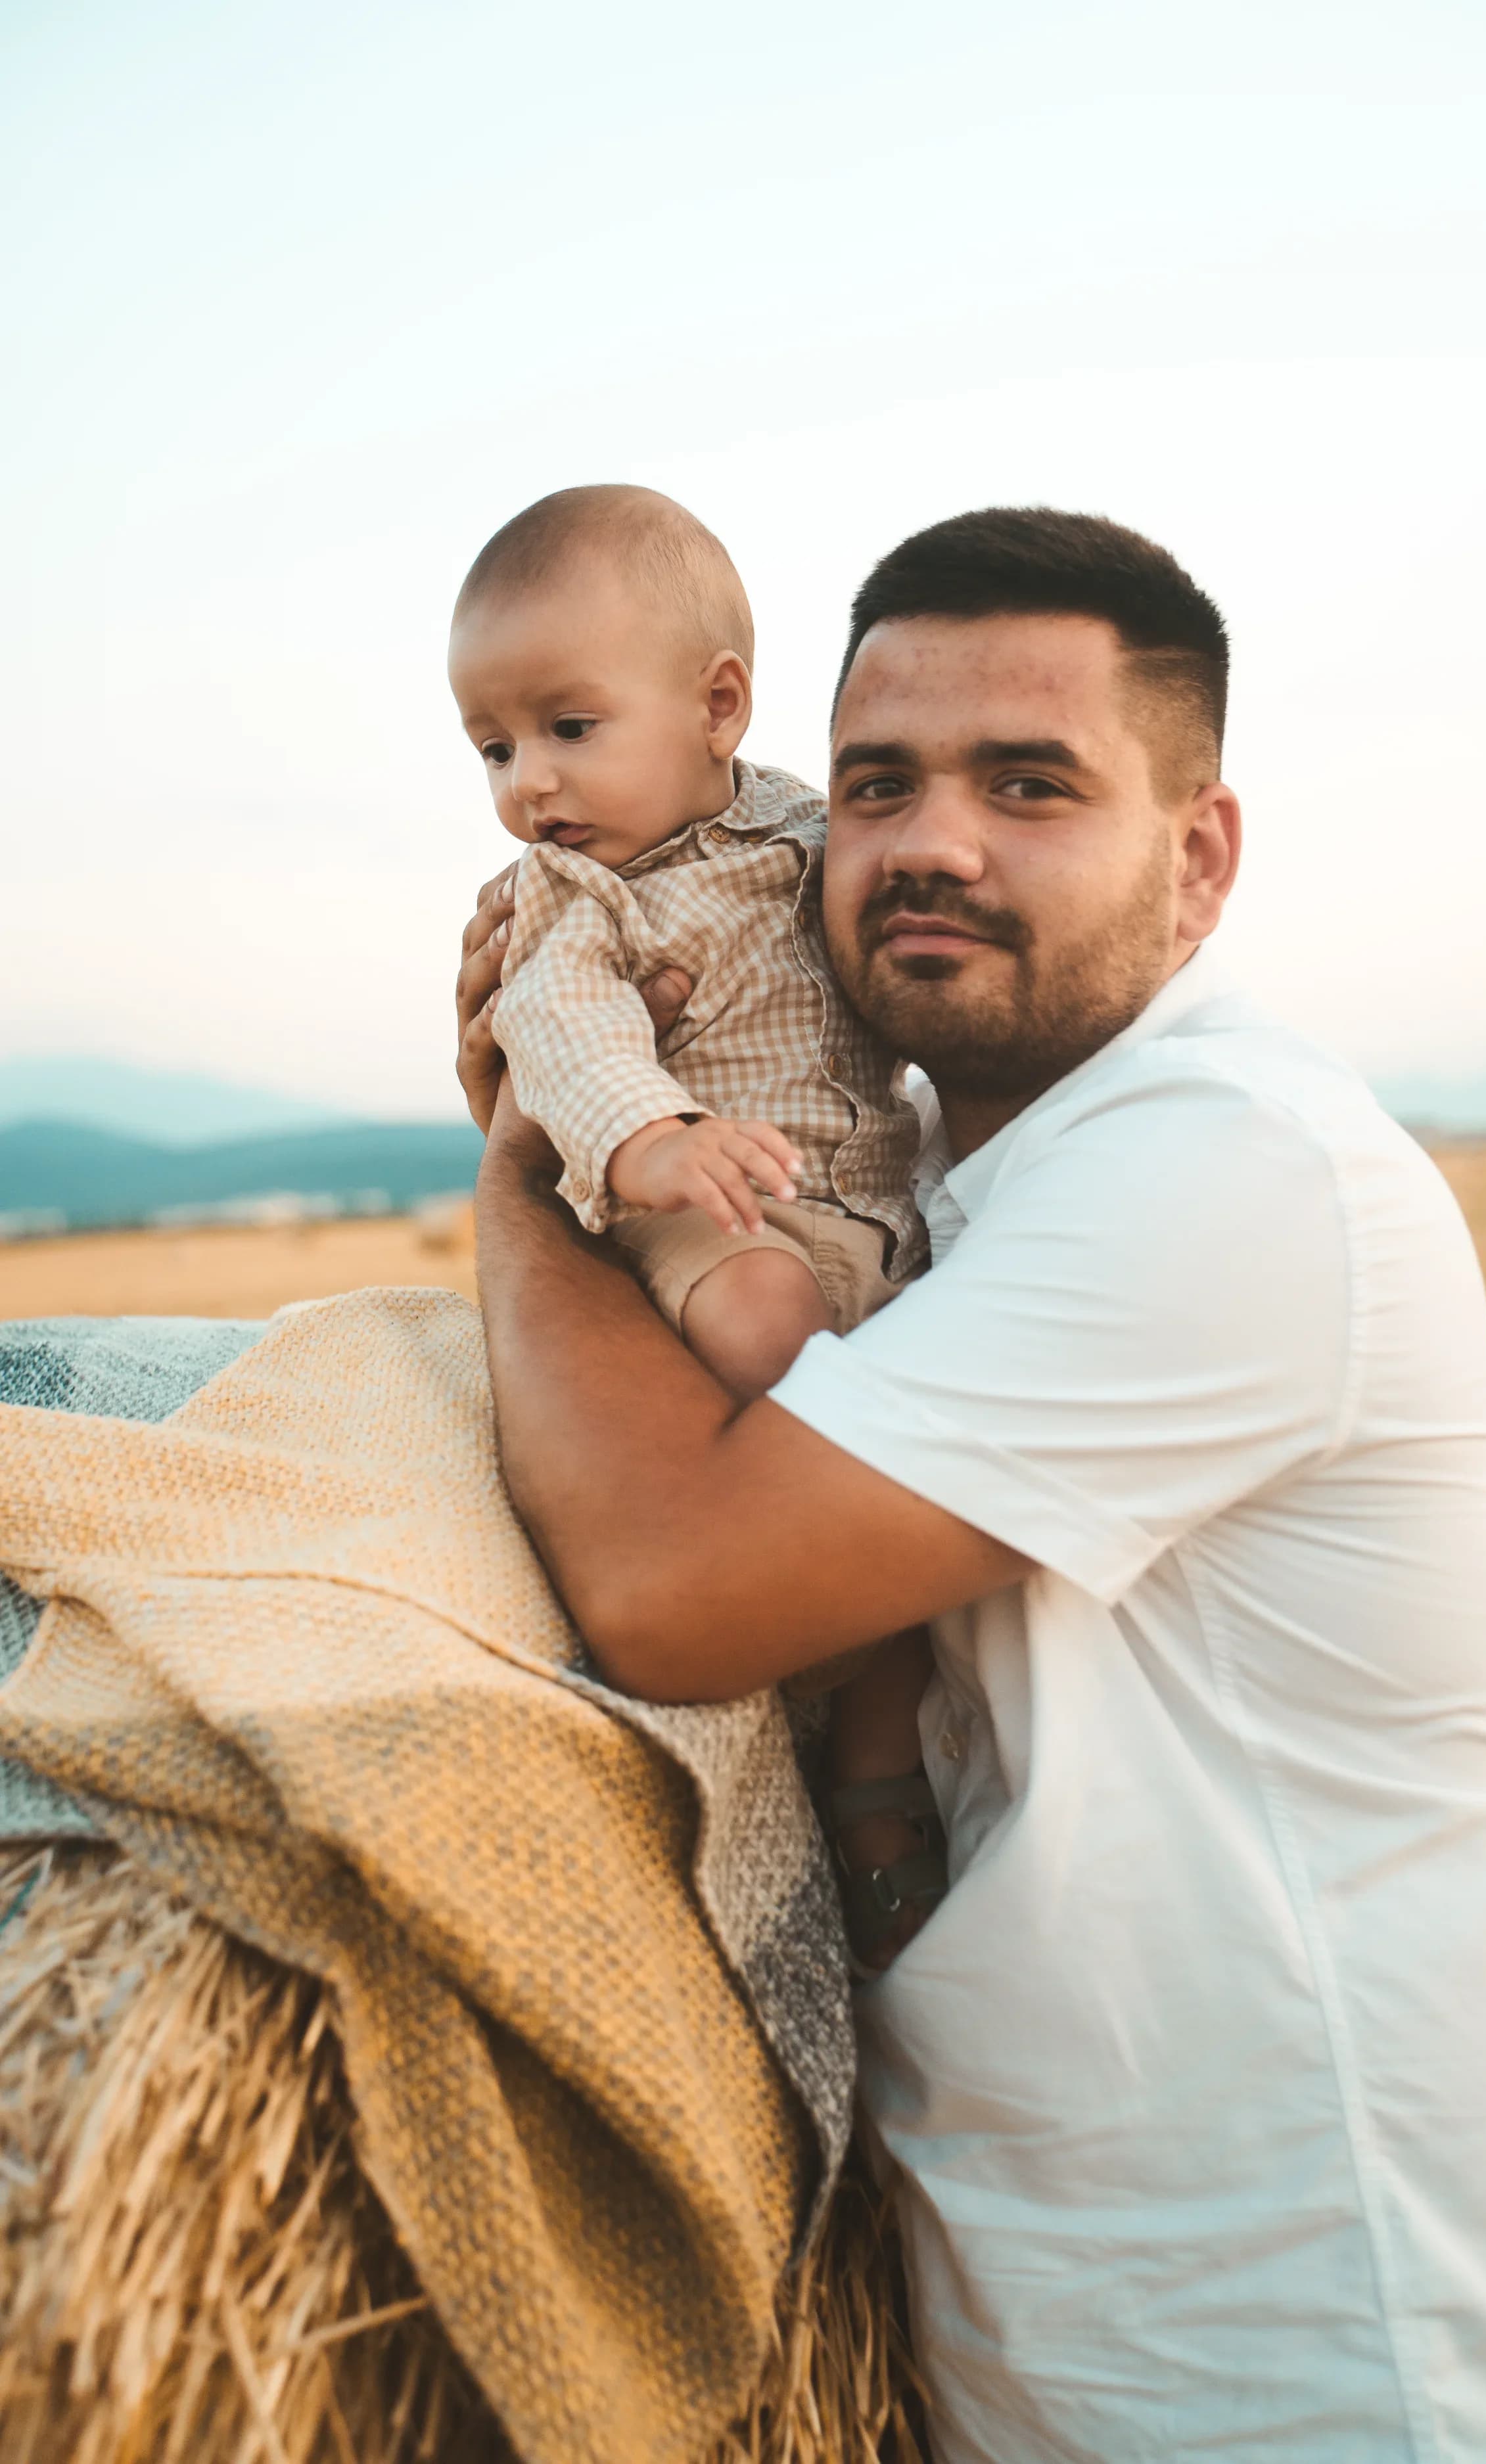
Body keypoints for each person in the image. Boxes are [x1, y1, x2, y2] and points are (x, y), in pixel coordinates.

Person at [453, 505, 1486, 2461]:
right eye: (873, 783)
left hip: (1347, 2371)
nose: (930, 840)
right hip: (1065, 2352)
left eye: (1029, 783)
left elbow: (673, 1585)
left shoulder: (1220, 1164)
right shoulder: (934, 1179)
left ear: (1197, 858)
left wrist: (529, 1152)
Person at [448, 481, 942, 1964]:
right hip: (692, 1208)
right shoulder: (569, 895)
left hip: (864, 1205)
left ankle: (867, 1744)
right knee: (762, 1323)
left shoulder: (801, 824)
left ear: (718, 703)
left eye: (566, 727)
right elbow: (561, 1020)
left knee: (894, 1473)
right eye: (492, 748)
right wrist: (648, 1135)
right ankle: (815, 1691)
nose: (531, 781)